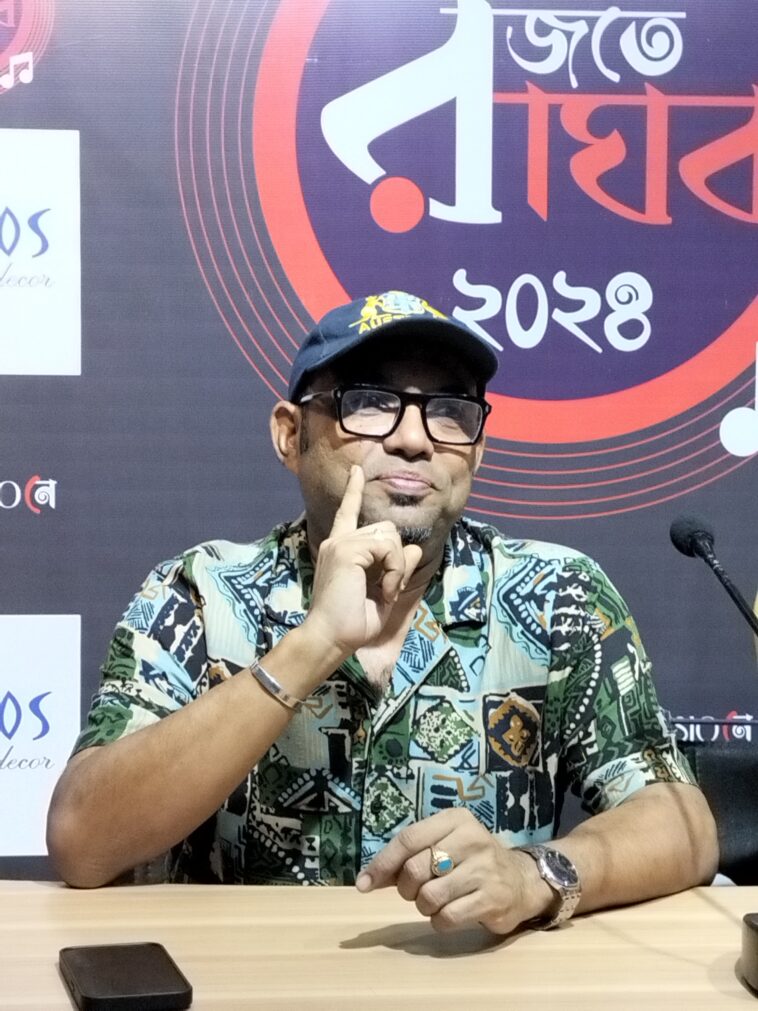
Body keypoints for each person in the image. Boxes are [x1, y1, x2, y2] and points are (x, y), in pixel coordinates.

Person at [47, 290, 717, 935]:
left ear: (477, 450)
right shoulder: (202, 593)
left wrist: (531, 874)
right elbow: (83, 840)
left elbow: (681, 825)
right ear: (290, 434)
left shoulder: (556, 595)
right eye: (370, 402)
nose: (415, 440)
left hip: (467, 981)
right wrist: (314, 643)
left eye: (449, 410)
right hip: (247, 980)